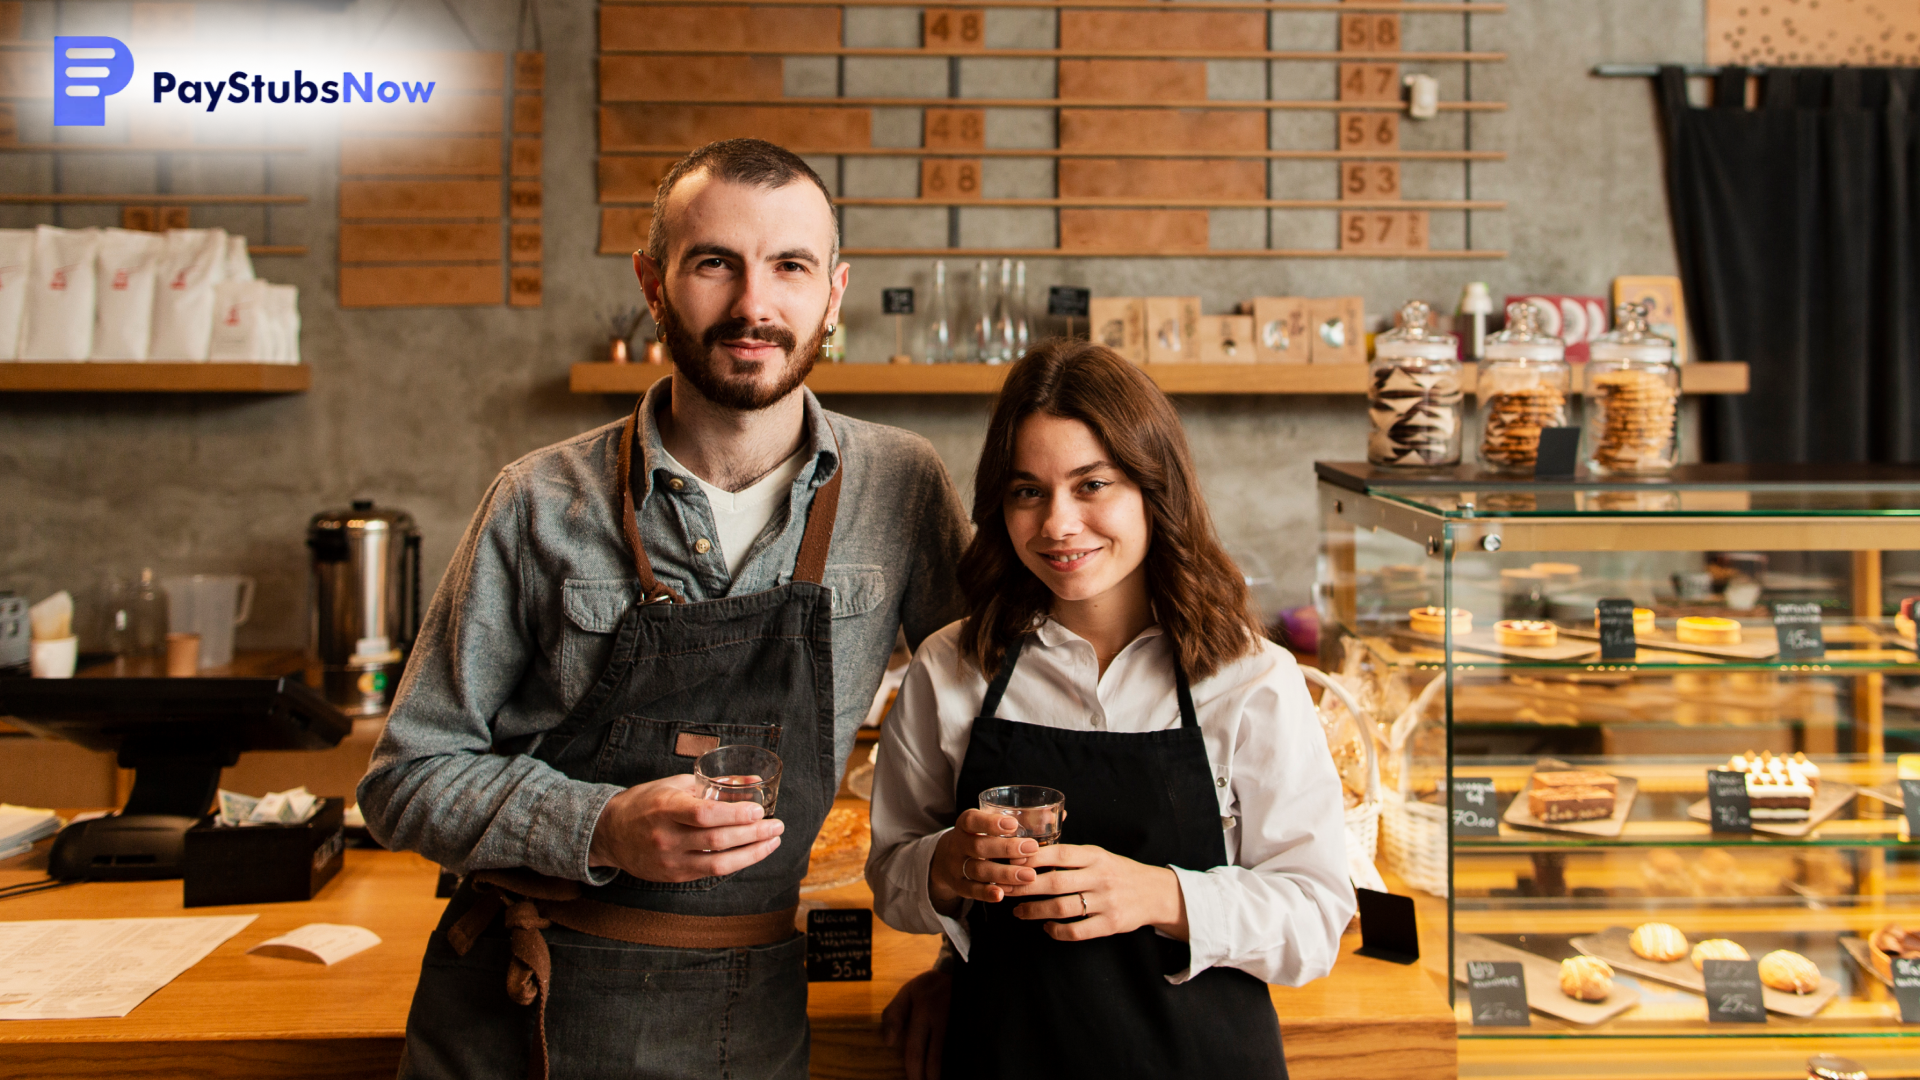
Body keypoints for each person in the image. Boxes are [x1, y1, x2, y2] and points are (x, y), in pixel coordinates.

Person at [358, 138, 970, 1080]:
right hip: (526, 1007)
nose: (753, 305)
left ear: (835, 293)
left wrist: (956, 961)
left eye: (790, 267)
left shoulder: (903, 488)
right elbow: (405, 777)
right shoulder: (537, 500)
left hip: (749, 1011)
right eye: (713, 263)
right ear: (653, 282)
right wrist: (600, 826)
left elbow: (988, 746)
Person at [866, 340, 1355, 1080]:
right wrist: (946, 865)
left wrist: (1161, 893)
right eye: (1028, 491)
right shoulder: (952, 668)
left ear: (1154, 488)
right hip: (1003, 1058)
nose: (1058, 524)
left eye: (1092, 484)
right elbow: (891, 875)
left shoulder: (1253, 680)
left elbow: (1318, 917)